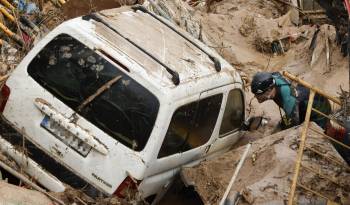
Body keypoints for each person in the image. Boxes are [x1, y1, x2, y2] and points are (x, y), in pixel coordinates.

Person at [250, 72, 331, 130]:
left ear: (269, 91)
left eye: (258, 95)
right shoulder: (272, 78)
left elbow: (293, 125)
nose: (256, 97)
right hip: (302, 101)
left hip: (319, 109)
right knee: (283, 125)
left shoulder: (287, 98)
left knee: (316, 134)